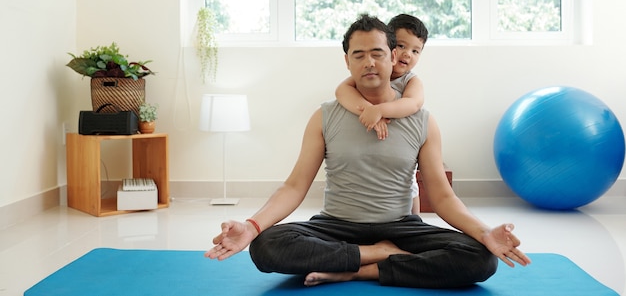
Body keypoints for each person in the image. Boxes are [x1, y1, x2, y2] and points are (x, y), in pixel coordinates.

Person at [206, 14, 531, 289]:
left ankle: (362, 267)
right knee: (266, 247)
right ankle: (381, 254)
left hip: (401, 225)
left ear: (394, 57)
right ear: (347, 61)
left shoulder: (423, 120)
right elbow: (294, 187)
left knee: (480, 258)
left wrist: (486, 233)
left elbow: (443, 198)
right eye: (358, 55)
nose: (369, 62)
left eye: (377, 52)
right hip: (336, 225)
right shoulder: (325, 116)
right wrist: (252, 226)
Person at [335, 13, 428, 214]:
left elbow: (412, 103)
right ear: (391, 47)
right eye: (402, 46)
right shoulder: (368, 73)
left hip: (401, 145)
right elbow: (342, 92)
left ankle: (415, 222)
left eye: (416, 50)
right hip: (369, 140)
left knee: (410, 187)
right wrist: (367, 110)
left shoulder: (411, 81)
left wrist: (380, 111)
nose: (407, 54)